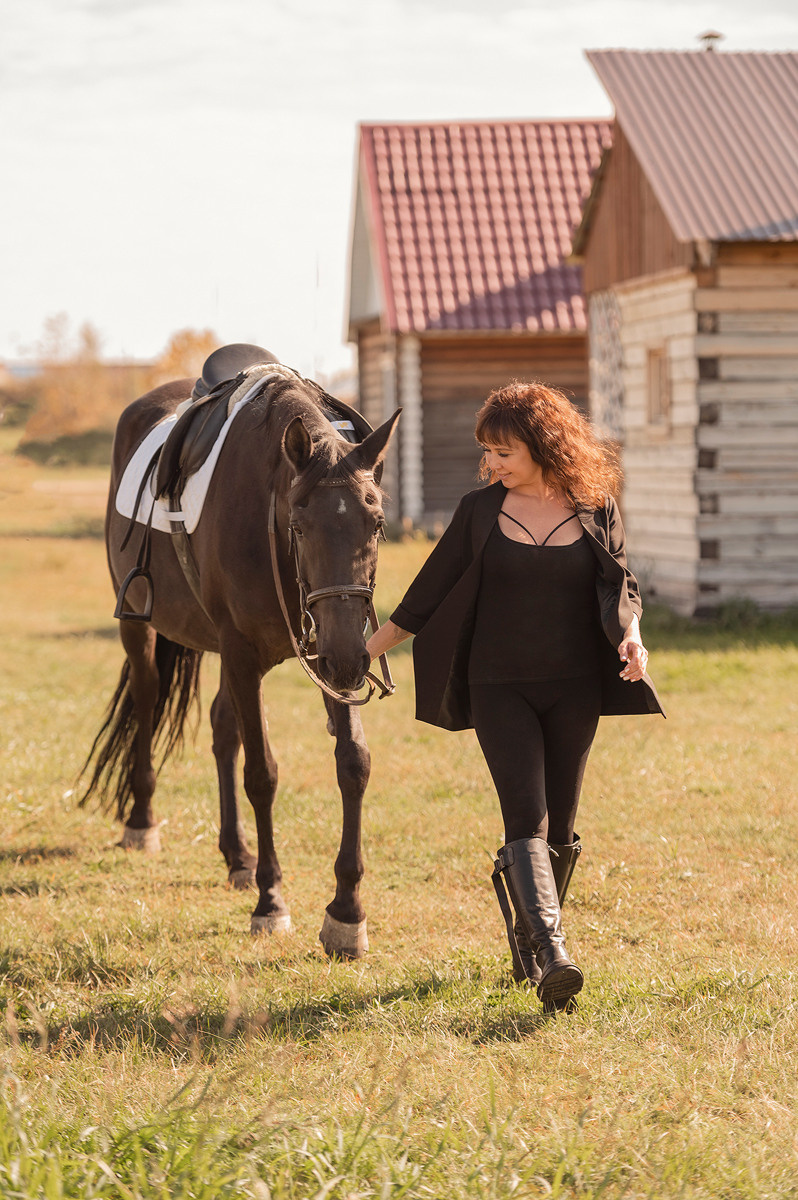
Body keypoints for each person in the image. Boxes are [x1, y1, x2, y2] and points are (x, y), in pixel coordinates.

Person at [366, 381, 664, 1012]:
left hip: (576, 685)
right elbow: (430, 588)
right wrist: (368, 648)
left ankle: (527, 940)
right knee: (525, 818)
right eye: (488, 452)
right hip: (497, 684)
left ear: (542, 443)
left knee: (563, 827)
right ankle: (553, 954)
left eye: (504, 451)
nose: (493, 463)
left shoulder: (594, 504)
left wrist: (632, 638)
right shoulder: (479, 511)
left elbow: (618, 585)